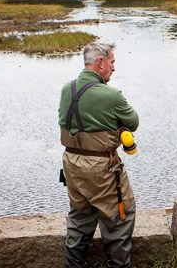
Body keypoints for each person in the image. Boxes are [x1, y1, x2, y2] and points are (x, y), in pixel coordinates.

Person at [58, 42, 139, 268]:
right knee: (120, 216)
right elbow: (133, 122)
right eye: (112, 62)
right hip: (101, 167)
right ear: (100, 62)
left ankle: (73, 265)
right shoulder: (111, 95)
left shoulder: (67, 89)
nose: (114, 68)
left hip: (71, 164)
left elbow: (65, 122)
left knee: (80, 217)